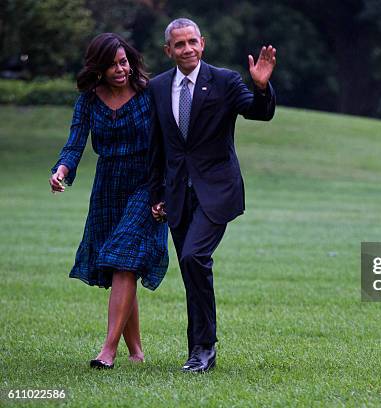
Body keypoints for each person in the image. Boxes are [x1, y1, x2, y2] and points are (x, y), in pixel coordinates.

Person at [147, 18, 276, 372]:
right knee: (192, 272)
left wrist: (262, 88)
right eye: (179, 44)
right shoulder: (158, 88)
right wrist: (156, 193)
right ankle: (199, 351)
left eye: (192, 42)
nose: (186, 49)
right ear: (168, 50)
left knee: (193, 257)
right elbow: (159, 147)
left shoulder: (224, 81)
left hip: (216, 191)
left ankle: (204, 347)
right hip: (176, 194)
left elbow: (258, 113)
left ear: (202, 43)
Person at [49, 33, 169, 369]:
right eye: (112, 64)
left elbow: (171, 141)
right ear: (98, 69)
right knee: (121, 265)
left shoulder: (149, 94)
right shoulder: (89, 101)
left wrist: (167, 192)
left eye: (123, 62)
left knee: (125, 256)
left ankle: (108, 350)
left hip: (147, 183)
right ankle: (137, 352)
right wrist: (61, 171)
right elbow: (74, 145)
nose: (120, 69)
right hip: (108, 187)